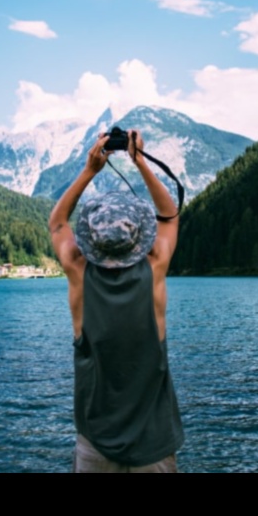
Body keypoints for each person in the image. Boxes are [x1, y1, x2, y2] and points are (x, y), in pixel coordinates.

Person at [49, 130, 184, 472]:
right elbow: (170, 216)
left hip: (96, 446)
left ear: (91, 239)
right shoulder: (154, 269)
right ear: (138, 235)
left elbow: (57, 224)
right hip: (153, 447)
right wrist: (140, 162)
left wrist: (89, 170)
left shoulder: (79, 274)